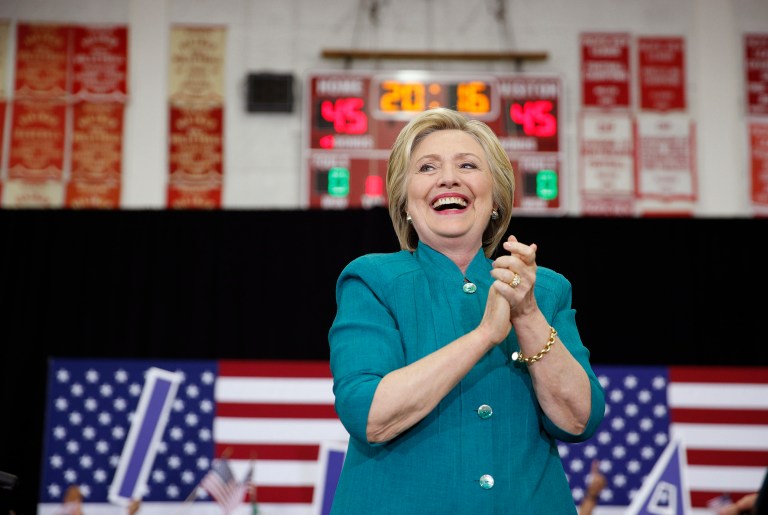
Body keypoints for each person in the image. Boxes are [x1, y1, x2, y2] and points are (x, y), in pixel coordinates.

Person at [328, 107, 606, 513]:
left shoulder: (545, 290)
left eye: (468, 165)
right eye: (427, 167)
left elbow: (579, 420)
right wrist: (485, 335)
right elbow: (370, 414)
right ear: (404, 201)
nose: (448, 178)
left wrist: (526, 314)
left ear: (495, 197)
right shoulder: (372, 280)